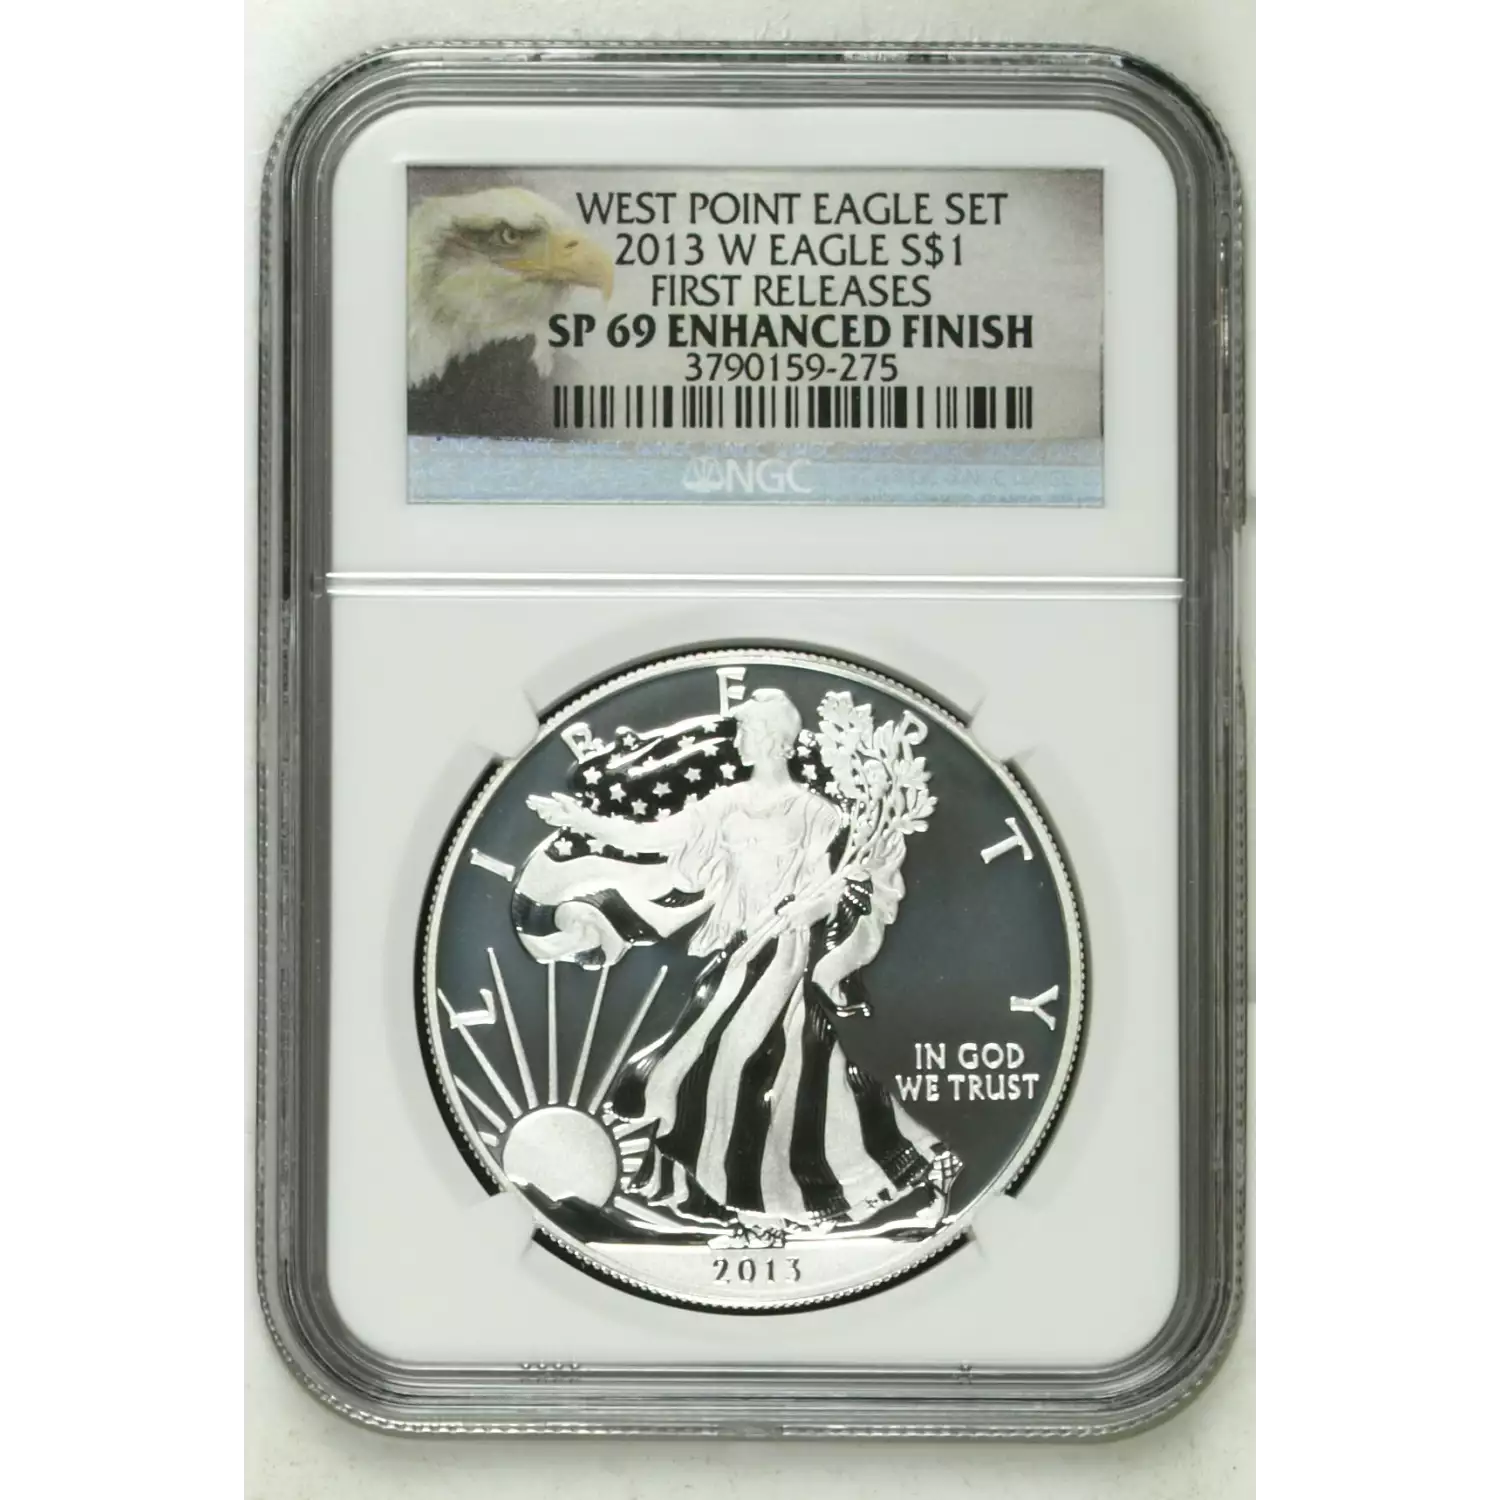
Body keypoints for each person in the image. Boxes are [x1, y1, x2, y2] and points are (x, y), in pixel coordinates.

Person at [526, 688, 959, 1240]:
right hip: (740, 949)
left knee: (729, 1064)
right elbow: (653, 837)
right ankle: (899, 1168)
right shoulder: (725, 803)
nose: (740, 741)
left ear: (776, 740)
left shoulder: (816, 813)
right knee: (791, 1079)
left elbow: (837, 885)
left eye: (749, 731)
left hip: (785, 953)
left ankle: (764, 1204)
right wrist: (585, 821)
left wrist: (808, 907)